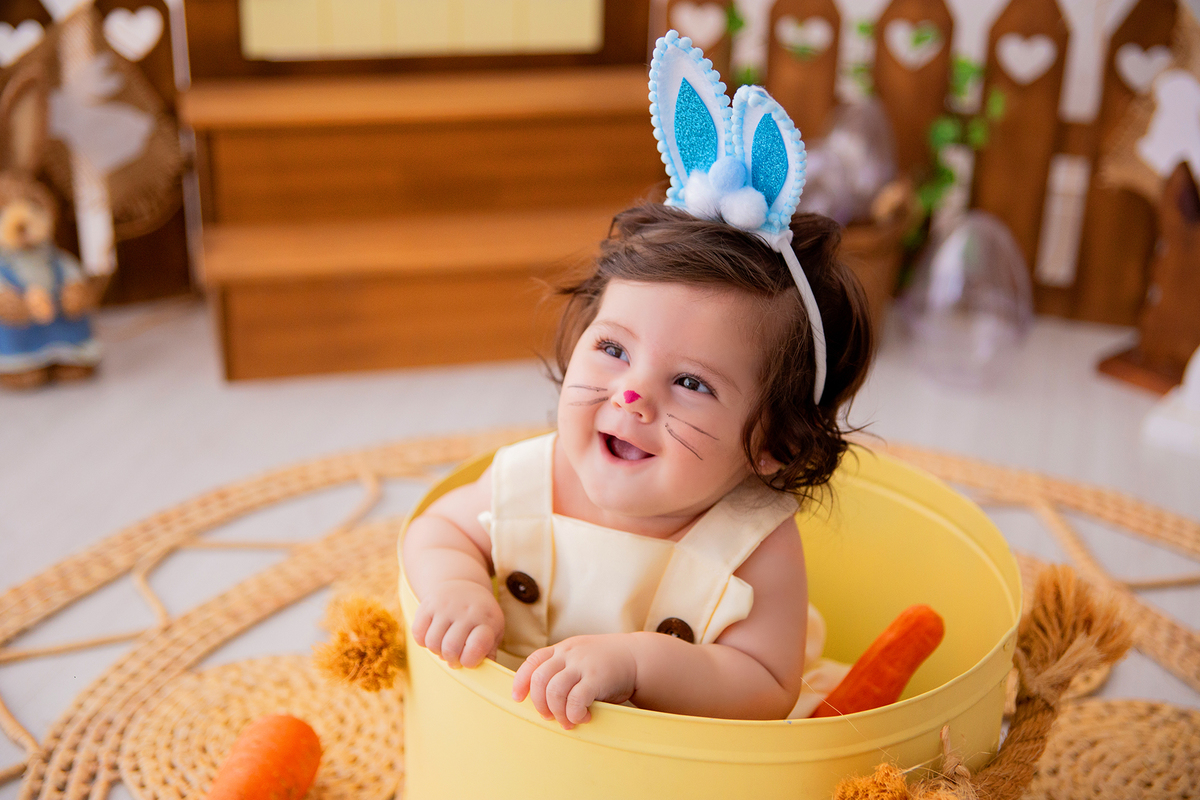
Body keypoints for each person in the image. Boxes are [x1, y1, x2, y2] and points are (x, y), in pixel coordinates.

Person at [401, 31, 874, 730]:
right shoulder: (539, 481)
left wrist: (638, 663)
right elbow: (435, 530)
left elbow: (764, 685)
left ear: (773, 442)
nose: (632, 394)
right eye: (614, 348)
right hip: (517, 743)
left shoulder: (755, 543)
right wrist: (458, 586)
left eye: (691, 382)